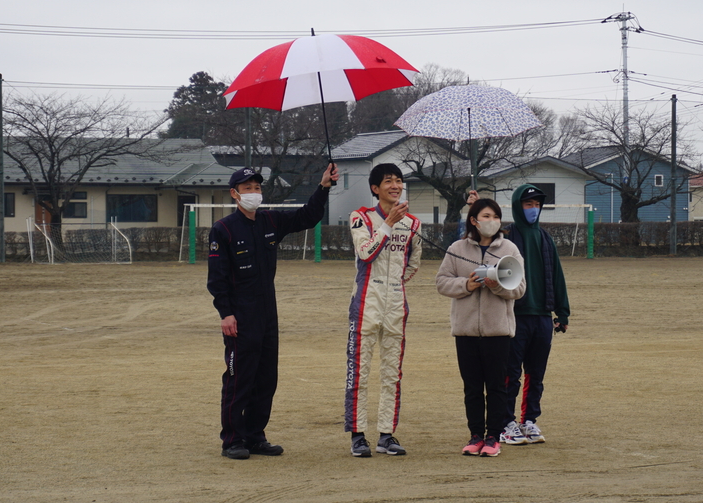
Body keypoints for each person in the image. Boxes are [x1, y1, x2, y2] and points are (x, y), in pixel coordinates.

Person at [207, 163, 339, 460]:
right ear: (234, 194)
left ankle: (255, 436)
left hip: (268, 312)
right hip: (240, 314)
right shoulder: (223, 228)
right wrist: (225, 313)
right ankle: (232, 439)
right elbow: (216, 278)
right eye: (247, 188)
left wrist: (324, 187)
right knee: (239, 378)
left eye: (257, 187)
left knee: (266, 379)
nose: (254, 193)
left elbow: (308, 216)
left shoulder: (270, 221)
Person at [467, 185, 570, 445]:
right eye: (528, 204)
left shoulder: (546, 238)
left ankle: (529, 421)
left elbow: (557, 275)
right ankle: (505, 422)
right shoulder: (507, 237)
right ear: (517, 206)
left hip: (542, 316)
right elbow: (473, 243)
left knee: (536, 373)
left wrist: (562, 312)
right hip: (514, 315)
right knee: (509, 373)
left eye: (536, 204)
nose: (533, 209)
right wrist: (472, 209)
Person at [435, 199, 526, 457]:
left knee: (497, 386)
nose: (492, 221)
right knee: (472, 386)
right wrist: (468, 284)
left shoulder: (509, 249)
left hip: (498, 332)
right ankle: (475, 435)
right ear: (474, 220)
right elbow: (442, 282)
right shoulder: (456, 248)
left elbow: (519, 289)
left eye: (496, 216)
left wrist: (496, 284)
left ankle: (493, 437)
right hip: (465, 332)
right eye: (486, 215)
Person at [345, 163, 422, 457]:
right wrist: (388, 223)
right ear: (375, 188)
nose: (395, 185)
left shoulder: (413, 223)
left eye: (399, 180)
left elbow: (413, 261)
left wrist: (396, 283)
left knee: (392, 372)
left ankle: (387, 434)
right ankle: (357, 434)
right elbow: (366, 253)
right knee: (359, 371)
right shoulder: (360, 217)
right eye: (388, 181)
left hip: (395, 303)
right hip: (366, 301)